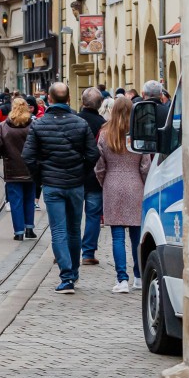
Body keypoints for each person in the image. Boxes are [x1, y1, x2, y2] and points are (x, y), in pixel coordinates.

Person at [23, 82, 99, 294]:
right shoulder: (80, 123)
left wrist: (41, 176)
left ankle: (66, 277)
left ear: (49, 98)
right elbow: (93, 154)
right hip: (75, 184)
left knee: (58, 230)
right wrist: (81, 172)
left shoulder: (39, 124)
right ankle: (73, 273)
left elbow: (28, 156)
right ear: (68, 100)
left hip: (52, 184)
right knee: (74, 229)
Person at [95, 96, 153, 293]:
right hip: (135, 184)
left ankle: (122, 280)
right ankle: (139, 276)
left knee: (117, 236)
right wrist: (146, 185)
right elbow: (145, 165)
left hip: (112, 183)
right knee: (137, 236)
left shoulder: (105, 134)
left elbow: (100, 165)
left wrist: (105, 182)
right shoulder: (138, 134)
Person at [0, 98, 37, 242]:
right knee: (30, 198)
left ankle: (18, 232)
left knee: (16, 200)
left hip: (12, 169)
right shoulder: (34, 125)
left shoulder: (3, 127)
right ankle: (29, 228)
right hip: (31, 168)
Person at [77, 87, 106, 267]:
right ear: (100, 104)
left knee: (70, 214)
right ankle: (88, 253)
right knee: (93, 215)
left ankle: (65, 250)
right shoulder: (103, 124)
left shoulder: (75, 120)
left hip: (75, 175)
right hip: (95, 175)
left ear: (82, 102)